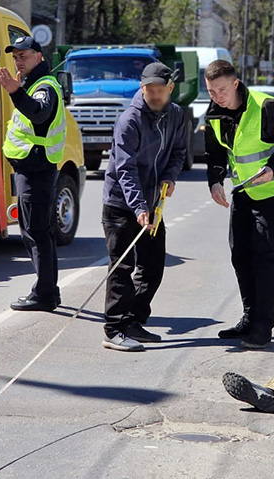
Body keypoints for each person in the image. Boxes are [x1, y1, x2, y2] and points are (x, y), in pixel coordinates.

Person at [204, 60, 274, 349]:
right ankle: (249, 318)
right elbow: (214, 152)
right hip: (243, 192)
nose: (217, 97)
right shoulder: (214, 112)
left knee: (264, 257)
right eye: (211, 91)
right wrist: (215, 181)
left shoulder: (266, 107)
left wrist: (272, 169)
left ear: (235, 84)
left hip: (272, 192)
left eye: (222, 90)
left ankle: (263, 326)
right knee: (240, 255)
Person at [101, 62, 188, 352]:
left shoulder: (176, 115)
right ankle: (113, 329)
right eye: (149, 90)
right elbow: (125, 169)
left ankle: (133, 321)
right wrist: (138, 206)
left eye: (160, 90)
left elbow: (179, 152)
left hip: (152, 203)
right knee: (122, 267)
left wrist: (169, 177)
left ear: (170, 88)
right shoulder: (130, 120)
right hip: (120, 204)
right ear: (142, 88)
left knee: (152, 266)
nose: (154, 95)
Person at [0, 35, 66, 312]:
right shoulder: (32, 84)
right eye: (15, 57)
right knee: (38, 232)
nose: (18, 61)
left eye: (24, 56)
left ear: (39, 56)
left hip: (37, 169)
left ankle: (45, 294)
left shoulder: (44, 86)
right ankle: (48, 291)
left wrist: (16, 92)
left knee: (36, 233)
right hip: (32, 168)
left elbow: (39, 114)